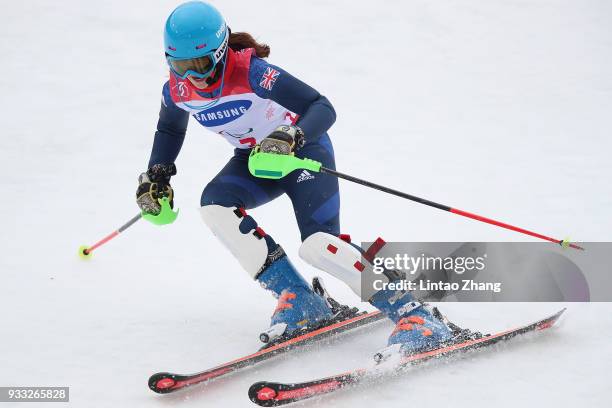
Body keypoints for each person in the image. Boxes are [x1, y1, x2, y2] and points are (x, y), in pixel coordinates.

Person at [136, 0, 453, 356]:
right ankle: (301, 300)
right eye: (180, 66)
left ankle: (417, 315)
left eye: (201, 65)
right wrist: (157, 175)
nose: (192, 77)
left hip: (303, 154)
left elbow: (322, 106)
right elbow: (168, 129)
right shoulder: (177, 90)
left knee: (319, 245)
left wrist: (292, 135)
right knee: (214, 207)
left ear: (222, 51)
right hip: (255, 162)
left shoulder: (254, 73)